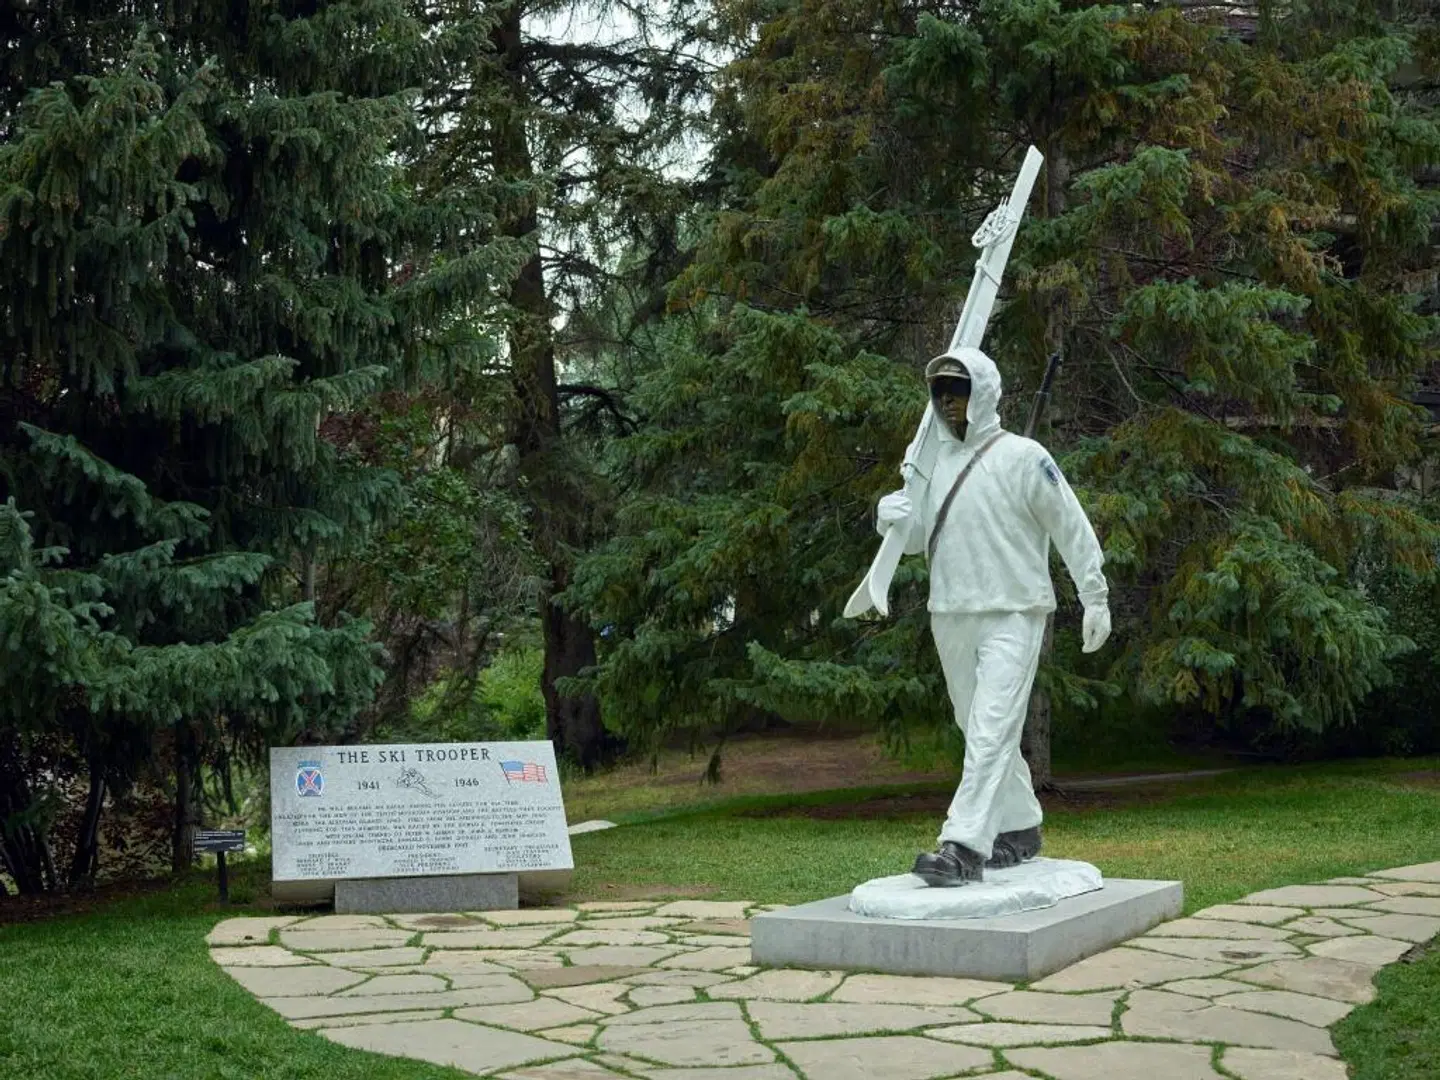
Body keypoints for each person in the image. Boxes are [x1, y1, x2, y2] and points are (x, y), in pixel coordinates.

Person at [876, 347, 1111, 887]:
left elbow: (1072, 527)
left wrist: (1095, 596)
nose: (948, 402)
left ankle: (962, 845)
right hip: (950, 612)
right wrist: (890, 517)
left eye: (957, 390)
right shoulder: (931, 467)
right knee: (976, 727)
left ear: (983, 393)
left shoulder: (1025, 457)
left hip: (1013, 611)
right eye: (939, 392)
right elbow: (916, 539)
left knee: (989, 730)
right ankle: (1021, 824)